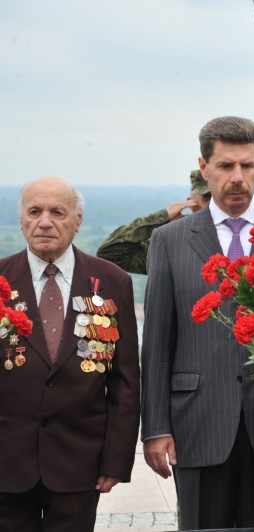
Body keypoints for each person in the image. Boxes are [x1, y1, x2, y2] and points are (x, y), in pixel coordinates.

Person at [140, 116, 254, 529]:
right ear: (204, 167)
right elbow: (157, 343)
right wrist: (155, 427)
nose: (237, 177)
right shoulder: (170, 240)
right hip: (197, 422)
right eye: (226, 166)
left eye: (247, 166)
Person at [0, 176, 140, 532]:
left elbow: (125, 383)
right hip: (6, 460)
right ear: (21, 219)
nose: (44, 221)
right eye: (34, 211)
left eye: (57, 212)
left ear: (77, 221)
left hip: (80, 461)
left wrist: (116, 460)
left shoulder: (113, 281)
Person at [96, 170, 211, 275]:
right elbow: (108, 253)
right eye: (207, 199)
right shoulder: (174, 244)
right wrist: (161, 218)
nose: (214, 204)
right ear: (190, 204)